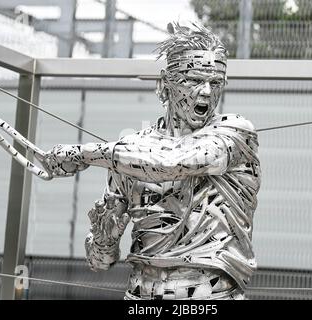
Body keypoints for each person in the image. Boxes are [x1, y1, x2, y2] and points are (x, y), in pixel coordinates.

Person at [44, 22, 261, 300]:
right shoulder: (131, 153)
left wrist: (83, 154)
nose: (206, 92)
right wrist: (104, 238)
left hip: (211, 298)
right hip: (140, 297)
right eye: (193, 80)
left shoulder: (235, 133)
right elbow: (100, 262)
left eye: (215, 82)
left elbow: (172, 163)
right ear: (164, 85)